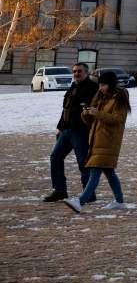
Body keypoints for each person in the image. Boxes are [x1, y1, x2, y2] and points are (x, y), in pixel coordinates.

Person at [65, 70, 131, 212]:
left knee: (95, 170)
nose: (101, 88)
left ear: (111, 84)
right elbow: (91, 122)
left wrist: (98, 113)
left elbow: (118, 119)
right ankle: (119, 201)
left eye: (103, 85)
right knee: (108, 172)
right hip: (97, 139)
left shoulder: (119, 97)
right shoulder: (101, 97)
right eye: (100, 84)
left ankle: (80, 202)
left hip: (109, 140)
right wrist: (86, 114)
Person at [43, 63, 99, 202]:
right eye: (74, 71)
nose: (76, 73)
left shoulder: (92, 87)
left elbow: (90, 110)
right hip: (66, 131)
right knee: (55, 157)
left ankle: (89, 193)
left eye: (79, 71)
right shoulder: (73, 86)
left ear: (86, 72)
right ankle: (60, 190)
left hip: (81, 131)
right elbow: (66, 109)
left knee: (83, 162)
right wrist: (60, 127)